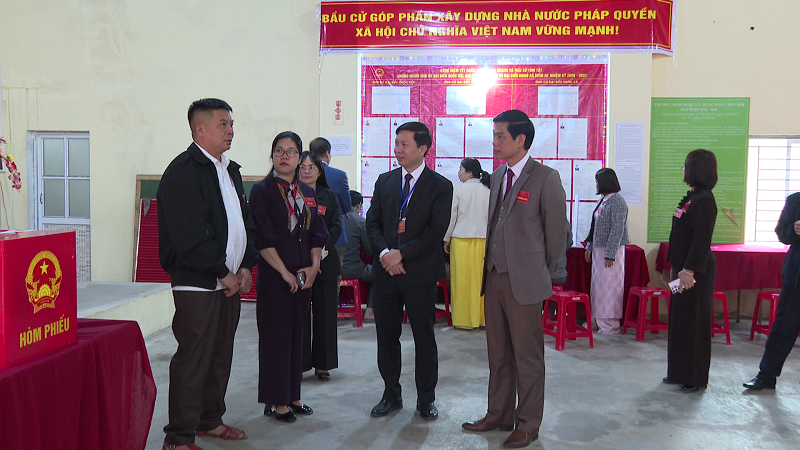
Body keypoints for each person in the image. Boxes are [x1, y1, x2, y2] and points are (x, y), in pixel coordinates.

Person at [462, 110, 567, 449]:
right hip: (494, 278)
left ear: (521, 139)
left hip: (526, 282)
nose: (494, 143)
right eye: (494, 136)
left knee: (527, 356)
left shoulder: (545, 178)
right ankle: (499, 414)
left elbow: (557, 235)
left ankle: (528, 423)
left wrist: (543, 275)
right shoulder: (497, 177)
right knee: (498, 353)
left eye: (500, 137)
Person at [158, 98, 257, 450]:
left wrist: (244, 267)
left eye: (231, 124)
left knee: (219, 356)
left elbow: (243, 224)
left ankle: (209, 421)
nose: (230, 131)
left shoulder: (229, 169)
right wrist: (221, 271)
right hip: (198, 283)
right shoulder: (183, 171)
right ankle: (178, 438)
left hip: (229, 281)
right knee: (193, 359)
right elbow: (191, 235)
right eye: (222, 124)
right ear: (200, 130)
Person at [365, 121, 453, 421]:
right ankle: (391, 394)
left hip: (419, 275)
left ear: (422, 148)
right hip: (386, 274)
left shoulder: (440, 186)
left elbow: (435, 232)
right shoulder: (385, 181)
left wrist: (401, 254)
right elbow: (372, 224)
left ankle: (426, 399)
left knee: (424, 338)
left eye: (404, 144)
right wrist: (385, 254)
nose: (398, 149)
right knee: (386, 336)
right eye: (396, 143)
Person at [249, 132, 328, 422]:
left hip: (304, 276)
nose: (285, 156)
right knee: (276, 338)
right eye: (279, 151)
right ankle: (277, 400)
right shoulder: (262, 191)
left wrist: (314, 266)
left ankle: (293, 395)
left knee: (297, 336)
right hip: (276, 277)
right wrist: (284, 272)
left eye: (291, 151)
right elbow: (262, 237)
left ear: (299, 156)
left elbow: (317, 232)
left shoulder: (307, 192)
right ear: (272, 155)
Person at [663, 149, 718, 393]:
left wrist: (688, 269)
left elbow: (701, 239)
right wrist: (674, 266)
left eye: (687, 166)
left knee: (694, 322)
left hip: (694, 271)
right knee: (680, 322)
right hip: (682, 268)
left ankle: (695, 377)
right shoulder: (692, 197)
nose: (684, 170)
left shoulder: (705, 200)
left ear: (697, 170)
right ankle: (678, 372)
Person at [743, 192, 800, 390]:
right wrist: (793, 230)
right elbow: (781, 232)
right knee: (783, 329)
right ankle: (766, 376)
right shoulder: (795, 200)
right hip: (796, 279)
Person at [298, 150, 343, 382]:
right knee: (300, 316)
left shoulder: (329, 196)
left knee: (325, 315)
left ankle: (323, 365)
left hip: (326, 262)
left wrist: (322, 250)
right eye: (302, 167)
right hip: (298, 264)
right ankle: (300, 363)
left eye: (312, 167)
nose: (307, 171)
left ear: (319, 171)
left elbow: (335, 226)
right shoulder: (291, 194)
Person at [443, 157, 491, 329]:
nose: (458, 173)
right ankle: (481, 318)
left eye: (460, 169)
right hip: (483, 241)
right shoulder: (488, 190)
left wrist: (447, 238)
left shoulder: (458, 189)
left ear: (469, 173)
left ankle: (462, 319)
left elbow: (453, 216)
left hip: (461, 240)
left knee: (461, 281)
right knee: (480, 281)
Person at [583, 168, 631, 335]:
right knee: (598, 288)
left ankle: (610, 325)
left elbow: (617, 230)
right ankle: (597, 320)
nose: (596, 185)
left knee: (610, 288)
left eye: (598, 182)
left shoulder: (618, 202)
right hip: (599, 250)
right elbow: (595, 227)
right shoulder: (603, 200)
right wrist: (589, 246)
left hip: (611, 252)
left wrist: (610, 254)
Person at [310, 137, 351, 262]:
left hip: (308, 236)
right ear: (328, 153)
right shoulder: (339, 175)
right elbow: (347, 206)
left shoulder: (302, 174)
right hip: (335, 237)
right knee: (334, 271)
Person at [341, 190, 375, 319]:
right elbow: (369, 250)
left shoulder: (332, 218)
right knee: (379, 274)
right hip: (354, 269)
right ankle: (370, 311)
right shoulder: (360, 221)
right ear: (359, 205)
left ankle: (336, 307)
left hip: (333, 269)